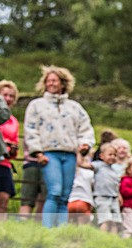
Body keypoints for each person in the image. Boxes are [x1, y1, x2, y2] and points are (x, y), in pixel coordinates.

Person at [23, 65, 95, 228]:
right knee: (54, 192)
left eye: (54, 80)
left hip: (69, 154)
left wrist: (85, 144)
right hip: (49, 154)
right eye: (48, 81)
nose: (51, 83)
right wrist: (38, 152)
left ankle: (61, 231)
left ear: (63, 83)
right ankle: (47, 229)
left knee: (64, 196)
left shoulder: (74, 107)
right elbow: (31, 129)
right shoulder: (36, 105)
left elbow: (85, 128)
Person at [79, 142, 122, 233]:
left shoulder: (114, 170)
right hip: (102, 196)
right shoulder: (98, 165)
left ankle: (113, 239)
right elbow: (83, 165)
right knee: (105, 219)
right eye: (110, 154)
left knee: (115, 221)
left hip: (113, 198)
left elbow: (116, 185)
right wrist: (79, 153)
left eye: (115, 155)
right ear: (102, 156)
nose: (113, 157)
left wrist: (119, 196)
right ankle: (102, 236)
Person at [0, 80, 19, 222]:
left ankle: (0, 235)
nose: (7, 99)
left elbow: (14, 143)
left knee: (3, 201)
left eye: (11, 96)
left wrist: (13, 148)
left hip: (5, 162)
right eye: (5, 95)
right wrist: (4, 143)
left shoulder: (14, 121)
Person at [68, 156, 95, 225]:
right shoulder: (89, 173)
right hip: (84, 202)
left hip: (70, 201)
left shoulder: (69, 172)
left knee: (71, 224)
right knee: (83, 225)